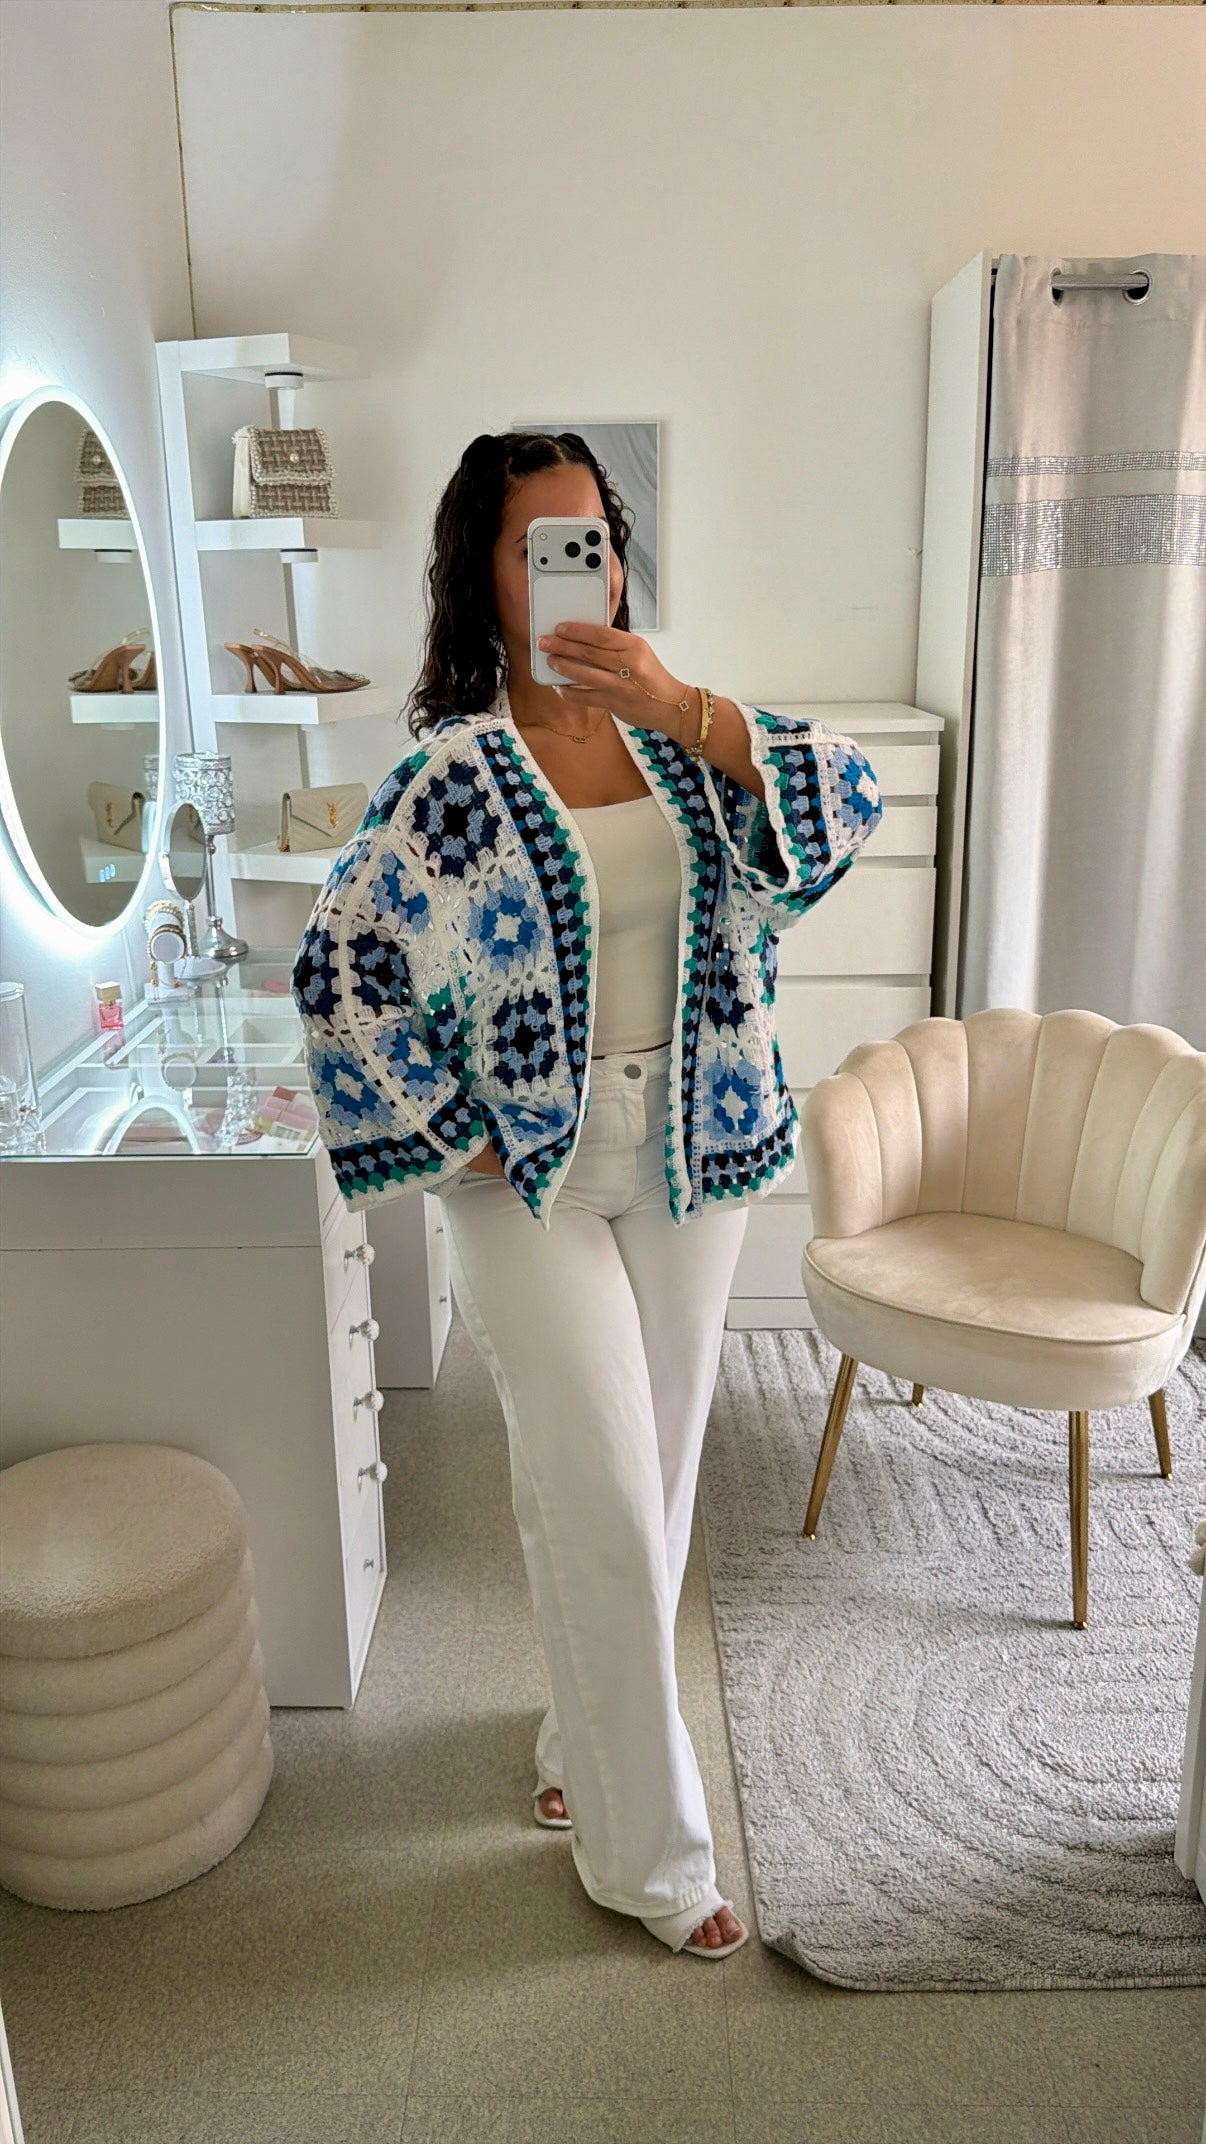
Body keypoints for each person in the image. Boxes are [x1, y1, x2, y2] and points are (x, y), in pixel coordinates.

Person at [292, 430, 883, 1959]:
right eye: (538, 545)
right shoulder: (452, 775)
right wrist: (450, 1125)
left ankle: (580, 1741)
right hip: (525, 1183)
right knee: (603, 1490)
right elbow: (342, 970)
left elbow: (847, 800)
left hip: (695, 1148)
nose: (579, 569)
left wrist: (681, 704)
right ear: (483, 579)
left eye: (595, 540)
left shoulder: (684, 741)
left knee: (650, 1485)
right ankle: (655, 1859)